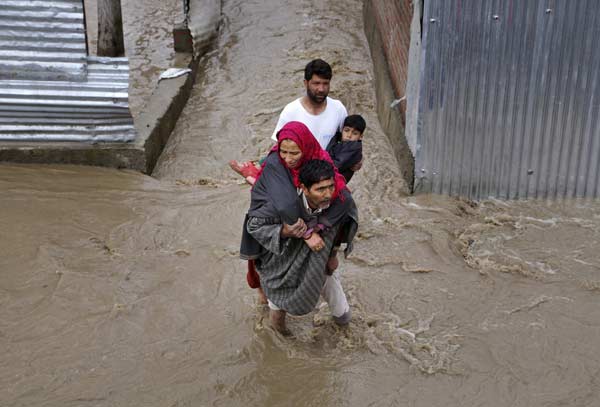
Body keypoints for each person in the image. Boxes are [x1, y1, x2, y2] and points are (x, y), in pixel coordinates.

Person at [240, 122, 358, 335]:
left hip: (319, 260)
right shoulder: (279, 199)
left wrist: (332, 253)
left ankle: (345, 337)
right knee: (277, 317)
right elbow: (256, 224)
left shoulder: (334, 201)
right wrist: (287, 231)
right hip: (283, 262)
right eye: (320, 189)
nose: (327, 193)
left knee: (343, 315)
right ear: (303, 188)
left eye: (330, 187)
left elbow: (340, 223)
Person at [230, 59, 362, 184]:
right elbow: (280, 149)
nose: (321, 89)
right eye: (316, 83)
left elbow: (348, 140)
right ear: (306, 83)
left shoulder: (338, 109)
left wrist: (356, 160)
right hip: (297, 175)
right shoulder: (291, 111)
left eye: (325, 83)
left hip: (326, 176)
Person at [326, 114, 366, 183]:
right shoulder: (341, 142)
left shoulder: (353, 148)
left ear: (361, 136)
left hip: (334, 183)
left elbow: (337, 165)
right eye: (346, 130)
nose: (349, 135)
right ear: (342, 130)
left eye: (355, 133)